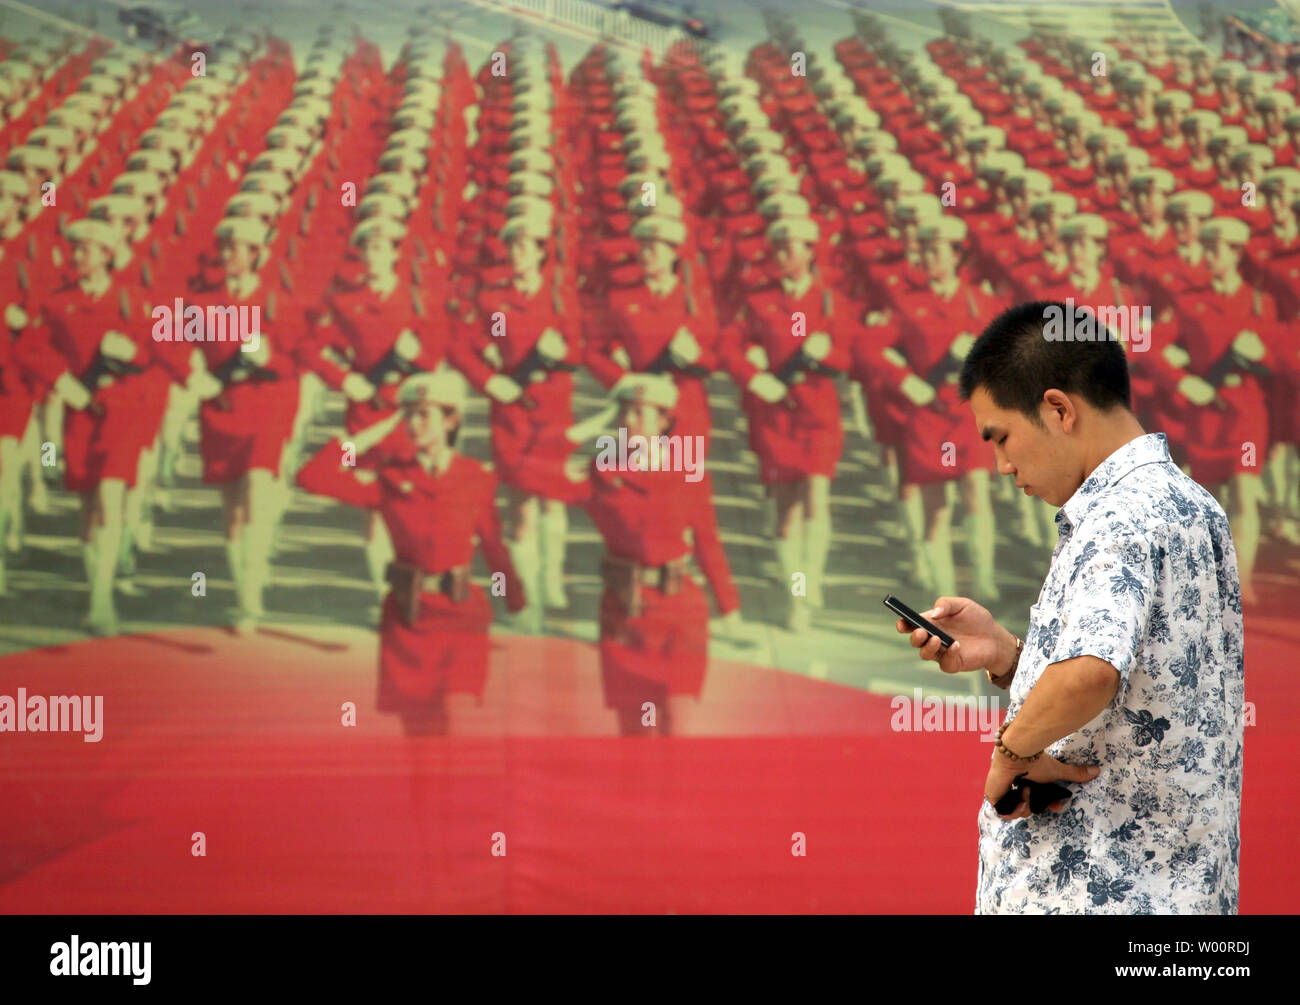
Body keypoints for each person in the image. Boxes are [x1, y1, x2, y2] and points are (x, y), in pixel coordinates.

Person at [898, 300, 1244, 914]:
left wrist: (1011, 754)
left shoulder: (1117, 516)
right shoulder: (1194, 505)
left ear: (1058, 408)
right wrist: (1009, 658)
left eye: (1001, 437)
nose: (1002, 465)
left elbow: (1091, 673)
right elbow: (1144, 686)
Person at [296, 369, 526, 736]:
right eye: (408, 414)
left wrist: (511, 595)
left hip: (461, 613)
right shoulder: (390, 480)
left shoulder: (476, 478)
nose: (413, 424)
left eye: (424, 414)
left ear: (451, 419)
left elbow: (494, 546)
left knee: (457, 719)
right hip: (409, 617)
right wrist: (370, 433)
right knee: (417, 729)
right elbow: (312, 476)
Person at [567, 375, 742, 736]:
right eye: (623, 413)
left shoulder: (688, 469)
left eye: (640, 413)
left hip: (680, 611)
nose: (629, 421)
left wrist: (729, 606)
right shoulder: (604, 470)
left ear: (665, 420)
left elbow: (708, 541)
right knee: (635, 735)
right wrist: (589, 427)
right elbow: (538, 472)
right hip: (625, 611)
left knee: (680, 728)